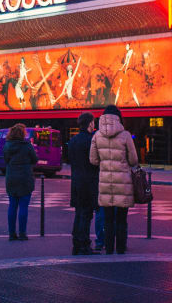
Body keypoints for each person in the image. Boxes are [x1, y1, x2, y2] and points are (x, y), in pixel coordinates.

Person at [90, 105, 138, 255]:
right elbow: (134, 160)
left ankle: (109, 249)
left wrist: (105, 163)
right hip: (123, 182)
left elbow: (93, 160)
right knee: (122, 220)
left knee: (108, 219)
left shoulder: (97, 135)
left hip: (105, 182)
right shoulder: (125, 135)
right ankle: (121, 248)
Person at [66, 112, 99, 255]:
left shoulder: (73, 141)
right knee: (86, 214)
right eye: (93, 122)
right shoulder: (91, 140)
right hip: (89, 181)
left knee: (79, 213)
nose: (94, 125)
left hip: (76, 180)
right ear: (90, 123)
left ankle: (76, 244)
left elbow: (68, 160)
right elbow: (95, 162)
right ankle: (84, 245)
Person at [4, 123, 37, 241]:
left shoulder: (7, 146)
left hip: (11, 177)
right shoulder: (27, 146)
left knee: (12, 205)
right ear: (22, 134)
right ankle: (22, 233)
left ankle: (11, 234)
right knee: (23, 206)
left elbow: (6, 160)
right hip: (25, 177)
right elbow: (35, 159)